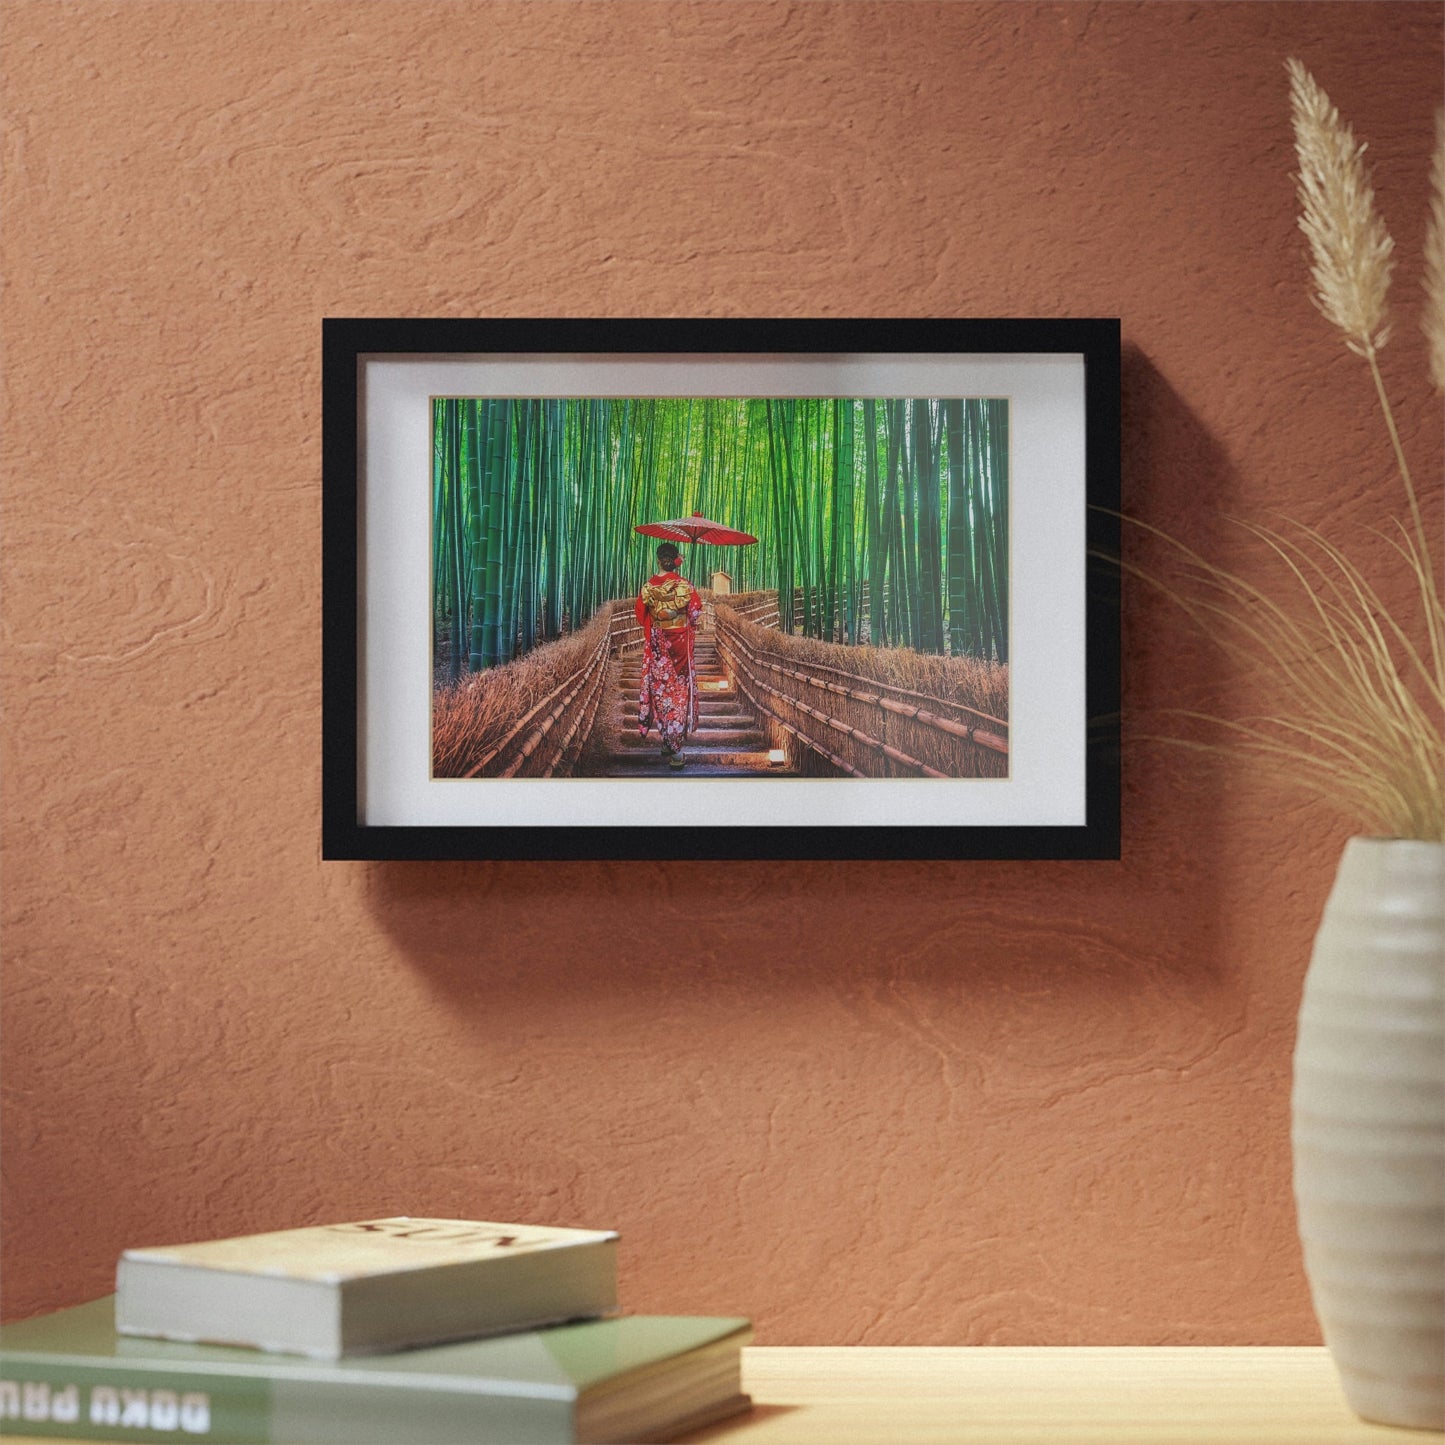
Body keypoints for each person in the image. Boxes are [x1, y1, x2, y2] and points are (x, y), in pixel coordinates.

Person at [635, 541, 702, 769]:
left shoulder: (648, 586)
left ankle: (668, 741)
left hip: (658, 644)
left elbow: (640, 614)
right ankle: (675, 750)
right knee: (678, 693)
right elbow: (694, 613)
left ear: (657, 560)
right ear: (676, 561)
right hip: (680, 644)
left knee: (660, 690)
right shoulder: (685, 585)